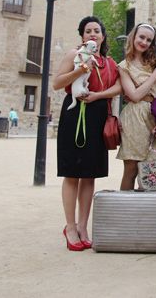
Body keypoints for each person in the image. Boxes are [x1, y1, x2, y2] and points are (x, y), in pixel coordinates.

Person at [53, 16, 121, 251]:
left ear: (103, 36)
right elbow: (57, 82)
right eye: (88, 31)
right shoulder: (75, 55)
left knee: (90, 174)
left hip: (97, 115)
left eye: (97, 31)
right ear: (82, 36)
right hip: (75, 113)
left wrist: (98, 96)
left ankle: (83, 226)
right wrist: (80, 70)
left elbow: (118, 87)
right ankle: (70, 226)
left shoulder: (109, 62)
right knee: (72, 173)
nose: (93, 34)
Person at [118, 23, 156, 191]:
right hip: (135, 116)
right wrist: (154, 76)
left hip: (154, 115)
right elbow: (135, 95)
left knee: (152, 171)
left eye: (149, 40)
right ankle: (126, 213)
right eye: (141, 37)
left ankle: (144, 213)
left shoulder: (152, 63)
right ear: (133, 37)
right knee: (131, 169)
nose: (144, 42)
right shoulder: (124, 65)